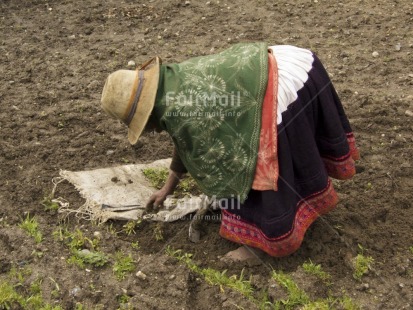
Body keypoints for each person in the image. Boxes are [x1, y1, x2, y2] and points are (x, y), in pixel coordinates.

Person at [100, 43, 359, 257]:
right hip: (293, 59)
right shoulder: (171, 84)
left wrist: (222, 192)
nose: (152, 131)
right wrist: (168, 187)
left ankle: (262, 245)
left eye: (145, 125)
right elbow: (185, 141)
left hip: (282, 84)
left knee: (246, 163)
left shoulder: (183, 109)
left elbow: (225, 166)